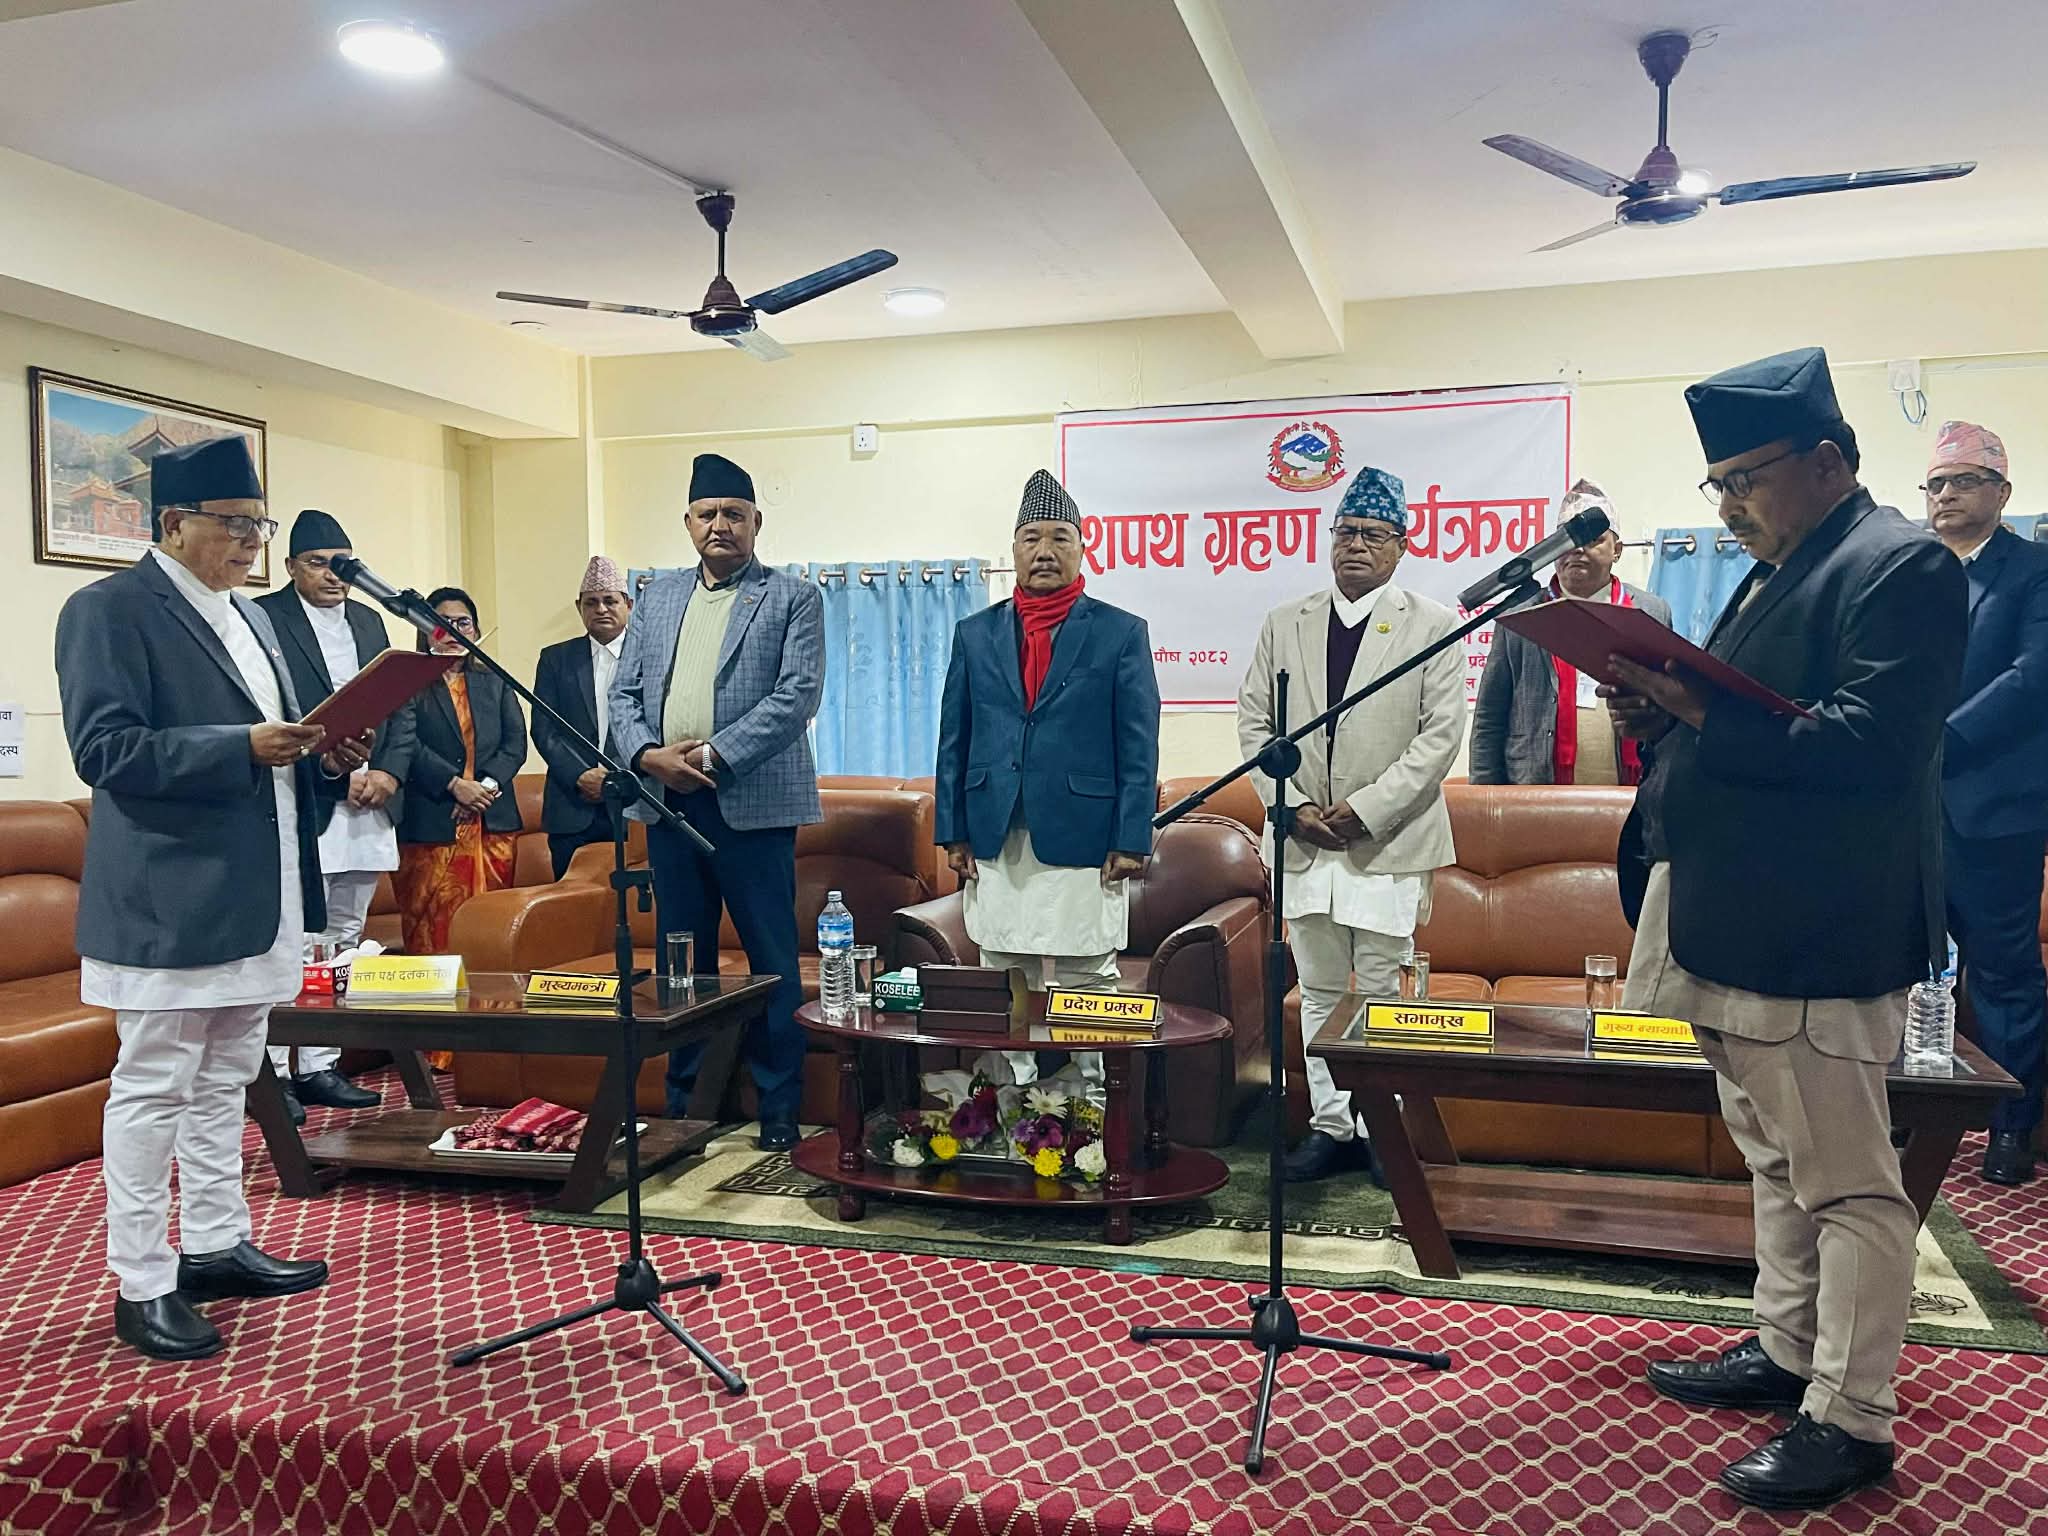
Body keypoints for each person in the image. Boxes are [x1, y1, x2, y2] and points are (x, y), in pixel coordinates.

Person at [1605, 347, 1965, 1510]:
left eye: (1741, 479)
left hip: (1815, 926)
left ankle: (1850, 1419)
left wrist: (1694, 704)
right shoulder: (1783, 565)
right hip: (1732, 911)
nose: (1726, 505)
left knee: (1848, 1184)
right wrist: (1659, 715)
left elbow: (1869, 750)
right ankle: (1787, 1346)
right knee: (1771, 1154)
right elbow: (1742, 725)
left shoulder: (1897, 562)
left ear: (1822, 460)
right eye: (1714, 486)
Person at [56, 436, 365, 1361]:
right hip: (170, 897)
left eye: (258, 526)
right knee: (155, 1085)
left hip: (259, 888)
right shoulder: (109, 609)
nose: (251, 543)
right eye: (234, 526)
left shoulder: (253, 619)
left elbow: (274, 750)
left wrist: (322, 752)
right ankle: (143, 1281)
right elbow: (105, 750)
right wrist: (240, 746)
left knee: (229, 1075)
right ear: (172, 523)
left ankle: (216, 1242)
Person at [1237, 466, 1465, 1182]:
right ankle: (1332, 1127)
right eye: (1345, 532)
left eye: (1373, 534)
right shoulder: (1286, 621)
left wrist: (1365, 811)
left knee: (1380, 993)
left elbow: (1439, 739)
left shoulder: (1434, 625)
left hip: (1386, 839)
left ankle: (1380, 1132)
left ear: (1402, 546)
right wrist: (1293, 806)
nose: (1356, 546)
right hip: (1304, 839)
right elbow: (1254, 723)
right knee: (1319, 990)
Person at [610, 453, 824, 1150]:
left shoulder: (793, 597)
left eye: (734, 514)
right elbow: (623, 694)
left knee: (769, 961)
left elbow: (796, 697)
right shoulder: (657, 596)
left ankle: (780, 1108)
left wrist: (710, 756)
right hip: (668, 807)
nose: (720, 525)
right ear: (688, 523)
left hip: (751, 805)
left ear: (757, 522)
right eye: (708, 514)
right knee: (683, 964)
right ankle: (687, 1109)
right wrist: (647, 756)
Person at [934, 470, 1160, 1086]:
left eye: (1060, 537)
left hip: (1085, 834)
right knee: (1005, 969)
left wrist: (1132, 837)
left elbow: (1138, 744)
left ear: (1083, 549)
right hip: (997, 830)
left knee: (1088, 974)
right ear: (1012, 550)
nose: (1044, 551)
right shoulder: (975, 634)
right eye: (1031, 538)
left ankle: (1095, 1102)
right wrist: (952, 830)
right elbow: (954, 738)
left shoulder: (1121, 632)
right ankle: (1013, 1104)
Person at [253, 509, 413, 1124]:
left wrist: (389, 772)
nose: (332, 575)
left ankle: (319, 1065)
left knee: (344, 939)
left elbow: (400, 708)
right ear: (291, 566)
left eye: (342, 564)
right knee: (292, 940)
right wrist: (334, 771)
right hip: (306, 797)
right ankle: (273, 1073)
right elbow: (269, 711)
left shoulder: (371, 620)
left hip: (369, 803)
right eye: (318, 563)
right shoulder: (266, 617)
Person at [1924, 420, 2048, 1186]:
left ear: (2002, 492)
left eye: (1963, 481)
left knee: (2002, 976)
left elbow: (2033, 678)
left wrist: (1939, 740)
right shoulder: (1910, 570)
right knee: (1905, 971)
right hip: (1905, 813)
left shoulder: (2034, 570)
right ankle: (1910, 1108)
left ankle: (2011, 1127)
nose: (1945, 495)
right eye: (1935, 483)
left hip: (1995, 811)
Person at [1469, 478, 1672, 785]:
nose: (1577, 549)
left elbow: (1669, 712)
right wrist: (1486, 800)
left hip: (1633, 793)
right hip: (1536, 793)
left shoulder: (1651, 612)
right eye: (1567, 540)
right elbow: (1489, 718)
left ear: (1616, 550)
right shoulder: (1521, 616)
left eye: (1593, 540)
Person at [390, 588, 527, 957]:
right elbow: (406, 744)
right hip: (432, 818)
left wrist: (482, 788)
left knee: (490, 932)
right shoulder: (406, 682)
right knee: (430, 934)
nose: (452, 631)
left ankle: (490, 995)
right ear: (424, 630)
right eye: (441, 623)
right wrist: (454, 785)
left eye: (462, 623)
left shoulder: (495, 680)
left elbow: (515, 744)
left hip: (491, 819)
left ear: (476, 630)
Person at [533, 556, 635, 879]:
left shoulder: (649, 654)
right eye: (591, 602)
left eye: (610, 600)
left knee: (635, 903)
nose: (601, 609)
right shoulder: (555, 659)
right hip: (571, 805)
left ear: (628, 604)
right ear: (579, 608)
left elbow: (657, 726)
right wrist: (580, 775)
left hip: (634, 805)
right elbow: (544, 730)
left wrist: (615, 778)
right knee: (569, 903)